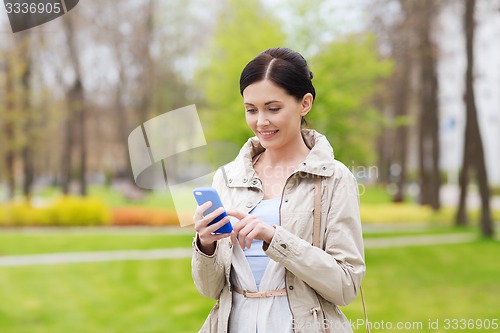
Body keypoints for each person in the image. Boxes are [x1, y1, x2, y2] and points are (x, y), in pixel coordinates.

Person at [192, 48, 365, 333]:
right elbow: (210, 290)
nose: (261, 121)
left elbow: (346, 286)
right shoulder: (227, 177)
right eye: (251, 110)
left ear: (304, 103)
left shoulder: (334, 178)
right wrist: (206, 244)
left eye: (273, 108)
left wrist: (274, 237)